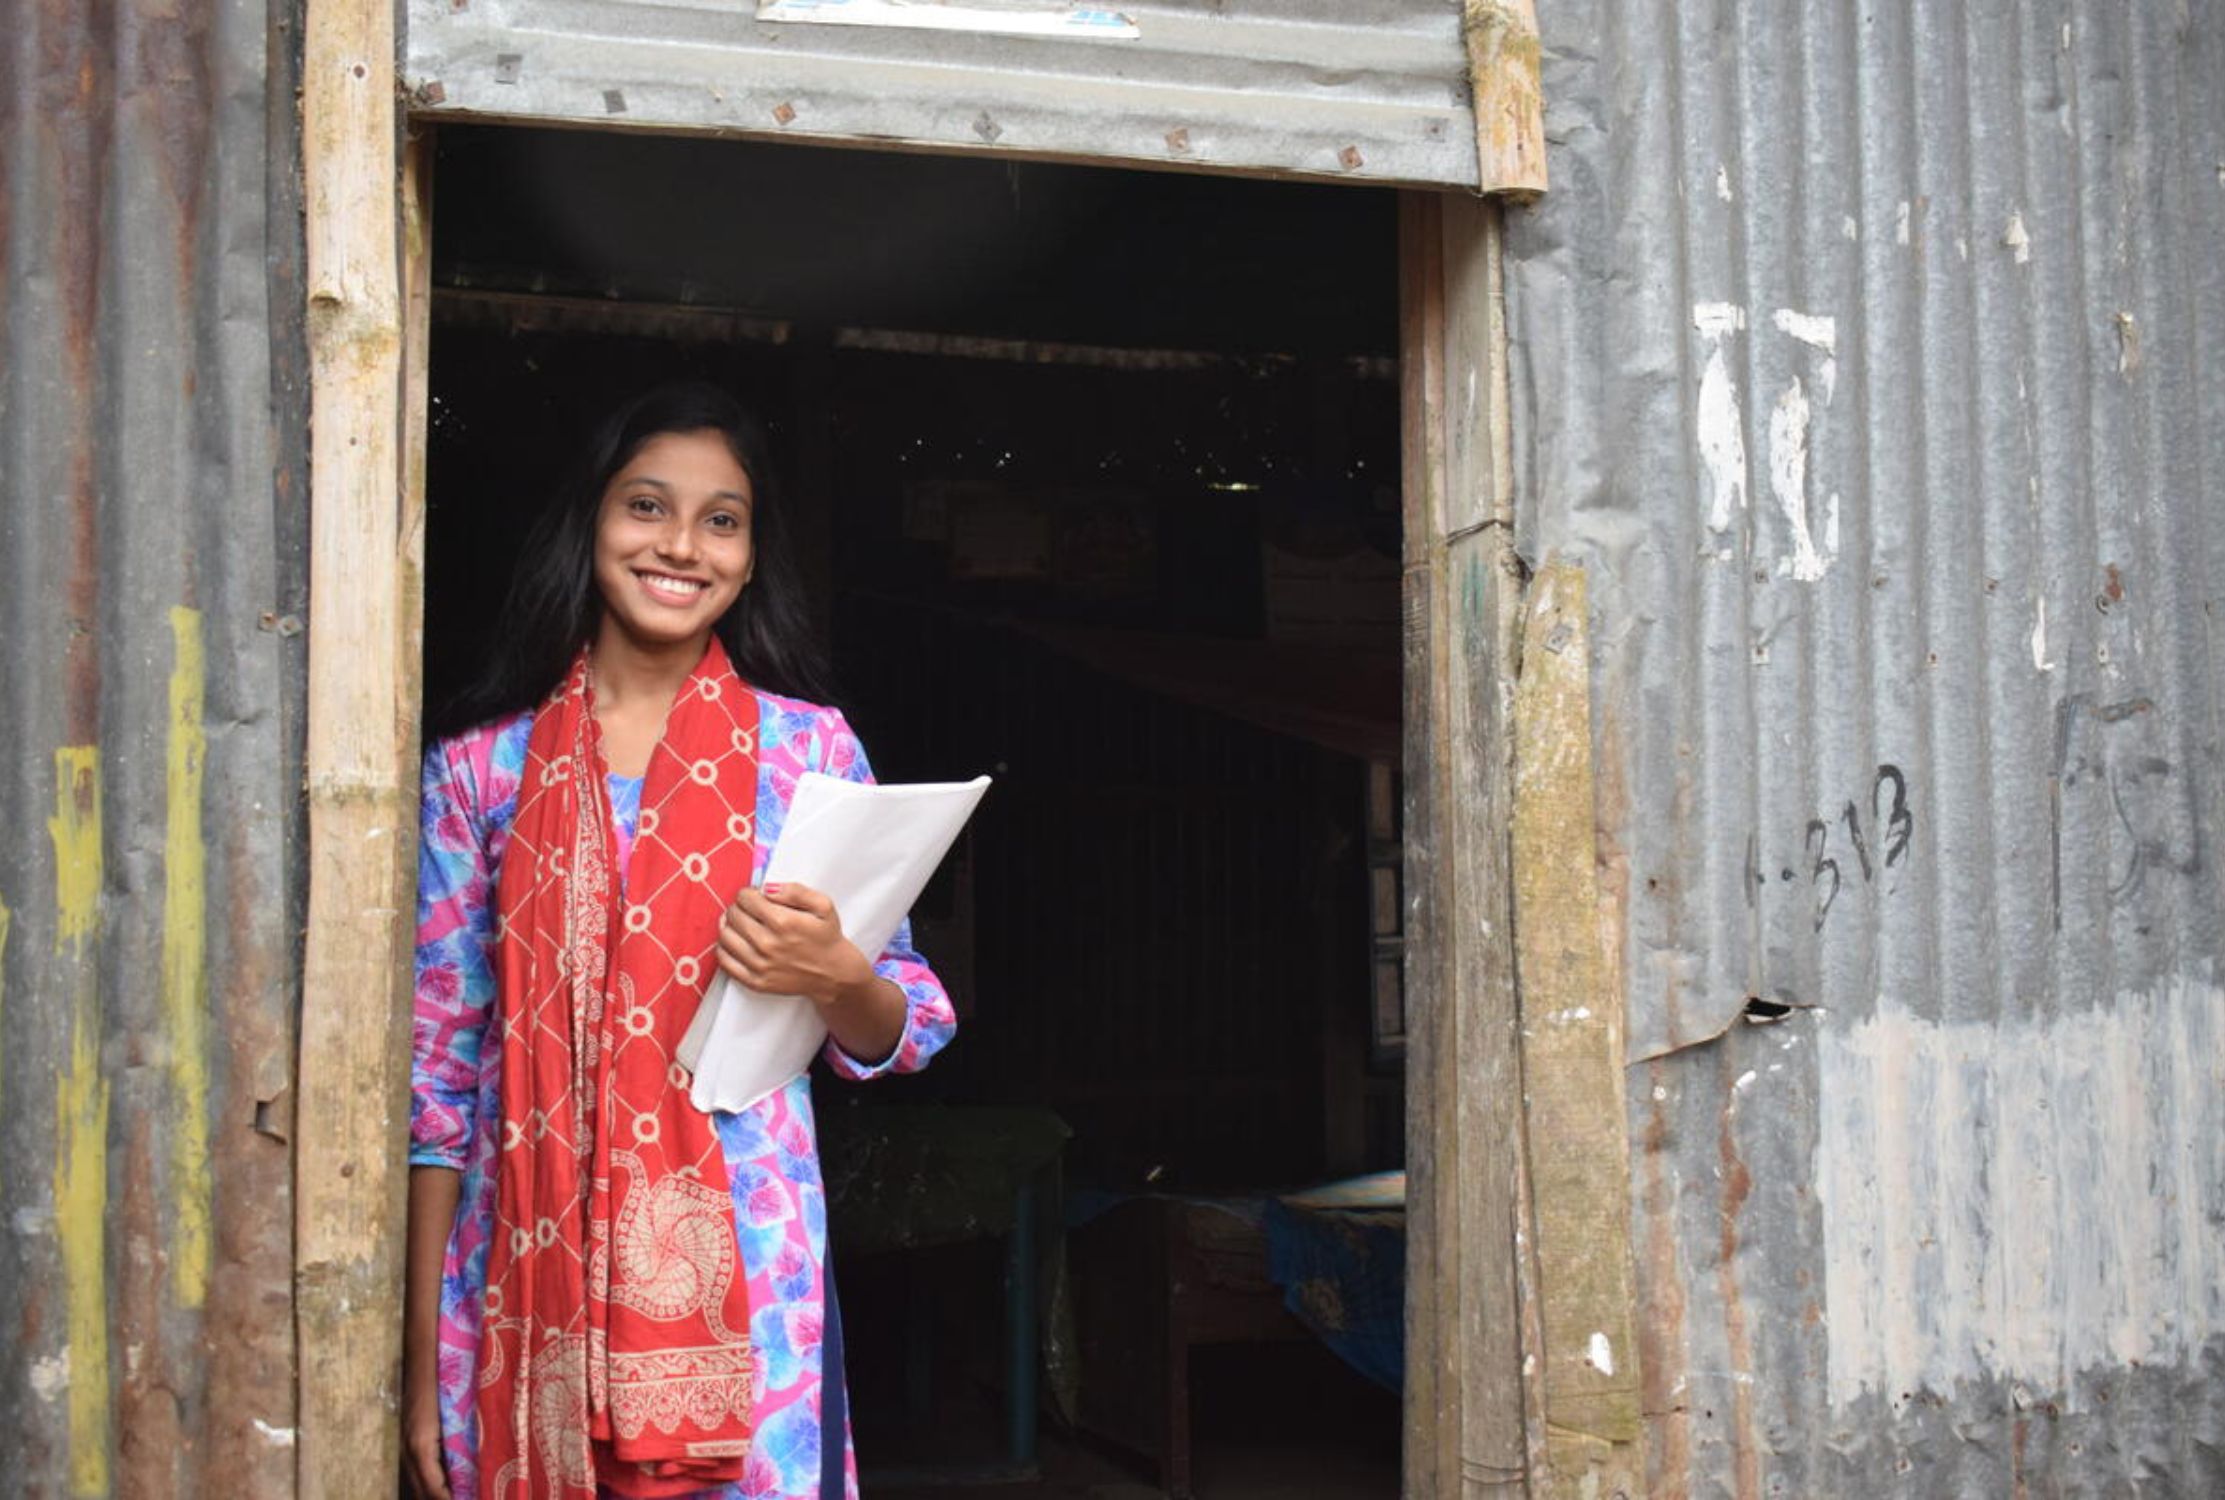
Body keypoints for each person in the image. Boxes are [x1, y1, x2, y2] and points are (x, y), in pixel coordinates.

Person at [404, 382, 955, 1500]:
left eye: (722, 520)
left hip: (750, 1283)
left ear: (751, 559)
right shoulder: (481, 770)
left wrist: (840, 976)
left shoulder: (807, 754)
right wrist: (419, 1364)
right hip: (515, 1277)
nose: (681, 546)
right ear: (591, 526)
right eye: (647, 506)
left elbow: (908, 1023)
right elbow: (437, 1079)